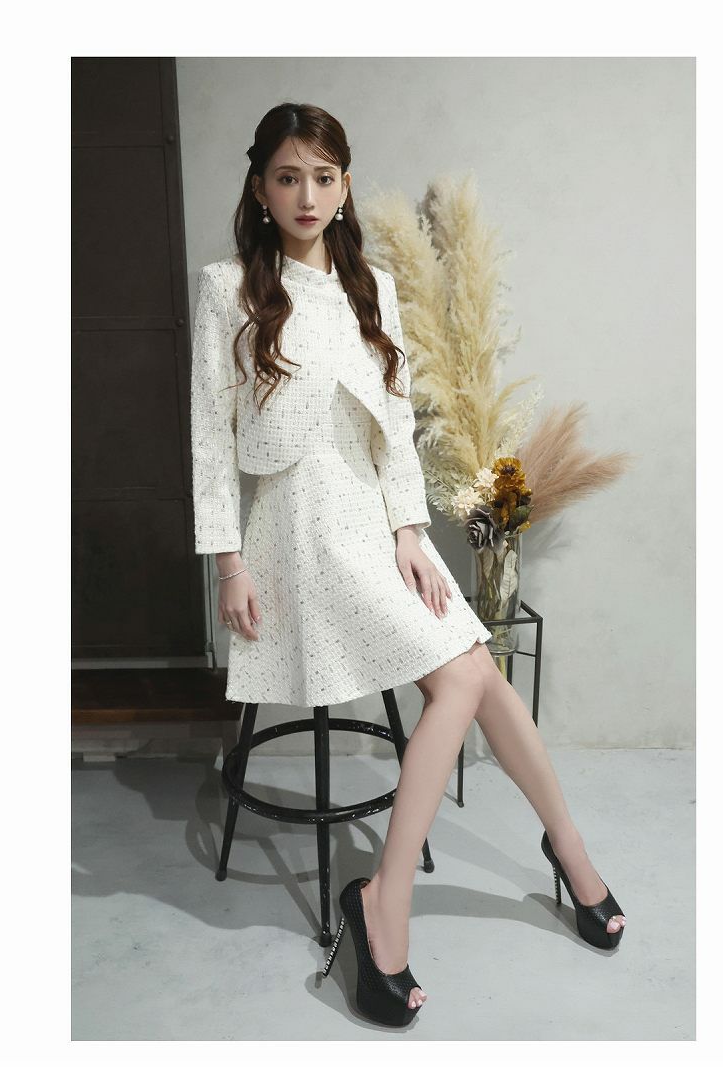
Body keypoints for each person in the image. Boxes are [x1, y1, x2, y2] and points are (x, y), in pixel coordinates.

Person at [190, 102, 625, 1027]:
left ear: (344, 186)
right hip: (296, 529)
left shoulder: (372, 289)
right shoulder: (227, 287)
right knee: (468, 674)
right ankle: (399, 897)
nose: (307, 195)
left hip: (373, 522)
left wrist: (409, 531)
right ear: (260, 188)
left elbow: (393, 423)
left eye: (323, 177)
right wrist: (227, 562)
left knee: (477, 673)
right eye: (287, 177)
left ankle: (547, 853)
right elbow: (208, 439)